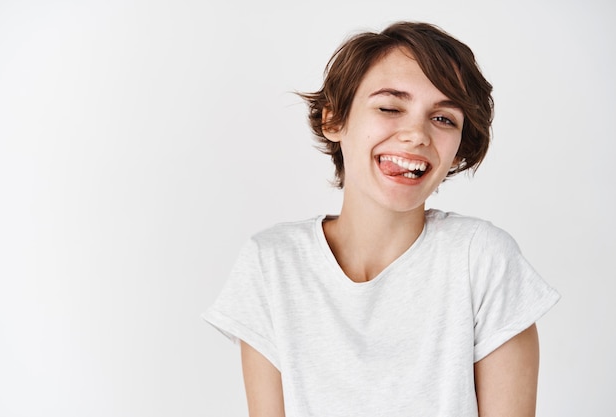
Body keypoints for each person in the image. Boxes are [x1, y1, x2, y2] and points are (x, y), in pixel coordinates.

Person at [203, 21, 560, 417]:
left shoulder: (484, 259)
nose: (416, 134)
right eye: (390, 107)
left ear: (459, 150)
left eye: (444, 119)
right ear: (334, 121)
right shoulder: (272, 263)